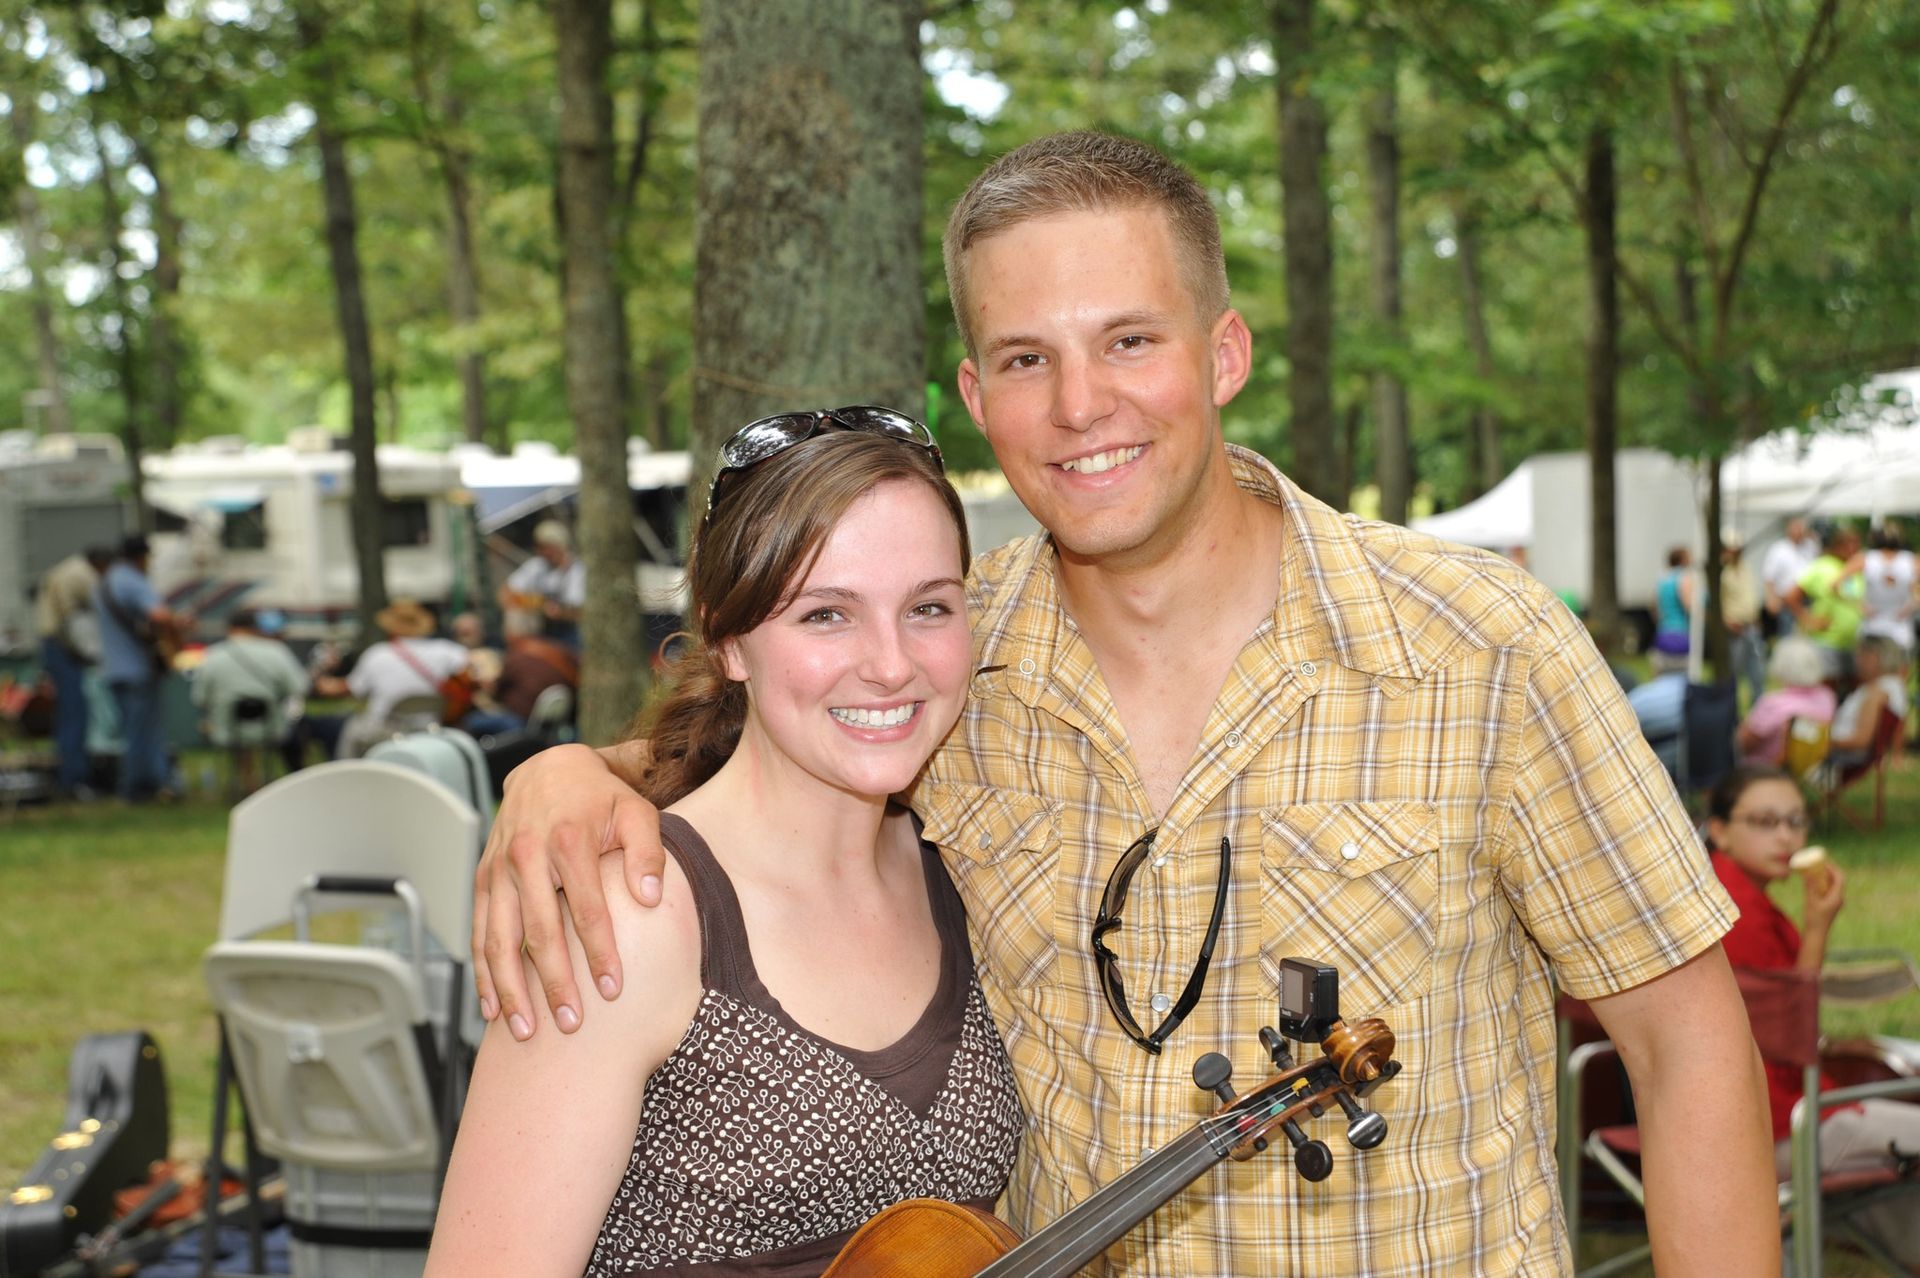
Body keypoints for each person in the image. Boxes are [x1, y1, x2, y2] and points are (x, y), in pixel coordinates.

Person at [467, 132, 1777, 1275]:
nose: (1081, 404)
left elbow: (1688, 1047)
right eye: (1026, 358)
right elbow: (783, 724)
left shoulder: (1480, 645)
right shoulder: (955, 657)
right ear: (978, 401)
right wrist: (571, 776)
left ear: (1223, 352)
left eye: (1129, 341)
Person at [427, 421, 1023, 1277]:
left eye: (928, 607)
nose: (892, 665)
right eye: (827, 615)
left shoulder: (959, 859)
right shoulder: (634, 912)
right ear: (730, 640)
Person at [1705, 764, 1920, 1267]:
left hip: (1760, 1116)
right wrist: (1820, 926)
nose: (1785, 836)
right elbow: (1790, 1029)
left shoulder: (1724, 892)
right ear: (1719, 830)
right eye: (1764, 821)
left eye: (1796, 821)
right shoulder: (1736, 911)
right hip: (1778, 1128)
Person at [318, 599, 470, 759]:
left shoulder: (378, 654)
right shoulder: (446, 650)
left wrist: (323, 683)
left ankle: (347, 775)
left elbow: (351, 689)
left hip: (385, 731)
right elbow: (475, 668)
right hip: (431, 726)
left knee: (351, 728)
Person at [93, 534, 178, 802]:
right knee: (145, 731)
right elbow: (159, 615)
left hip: (113, 668)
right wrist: (178, 626)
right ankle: (141, 787)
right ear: (141, 558)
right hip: (136, 669)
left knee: (131, 730)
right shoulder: (132, 580)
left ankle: (144, 784)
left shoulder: (104, 581)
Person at [192, 608, 310, 793]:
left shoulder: (212, 655)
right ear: (256, 628)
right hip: (271, 729)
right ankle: (257, 783)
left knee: (238, 738)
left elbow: (199, 699)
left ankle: (243, 781)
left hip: (227, 731)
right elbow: (299, 688)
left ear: (229, 628)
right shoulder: (276, 651)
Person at [36, 545, 112, 798]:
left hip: (55, 644)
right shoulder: (81, 574)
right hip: (63, 646)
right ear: (100, 563)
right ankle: (73, 779)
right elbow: (78, 618)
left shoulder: (67, 568)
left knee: (69, 714)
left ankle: (70, 776)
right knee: (75, 714)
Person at [460, 625, 578, 738]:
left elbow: (497, 689)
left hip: (522, 721)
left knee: (471, 721)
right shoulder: (554, 649)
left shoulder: (516, 657)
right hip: (555, 721)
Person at [1735, 637, 1836, 767]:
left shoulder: (1774, 704)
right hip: (1805, 770)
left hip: (1762, 772)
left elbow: (1742, 744)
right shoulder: (1827, 697)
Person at [1787, 523, 1865, 683]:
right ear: (1837, 545)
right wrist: (1808, 620)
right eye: (1847, 544)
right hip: (1826, 642)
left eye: (1855, 544)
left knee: (1852, 687)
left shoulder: (1857, 569)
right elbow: (1791, 596)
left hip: (1853, 643)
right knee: (1828, 687)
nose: (1851, 548)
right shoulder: (1821, 566)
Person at [1822, 634, 1909, 775]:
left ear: (1875, 658)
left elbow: (1861, 740)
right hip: (1842, 754)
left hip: (1841, 758)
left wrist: (1821, 742)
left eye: (1861, 655)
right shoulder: (1892, 686)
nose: (1857, 660)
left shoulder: (1877, 692)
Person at [498, 519, 585, 647]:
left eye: (547, 548)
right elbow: (505, 593)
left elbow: (579, 612)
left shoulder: (577, 570)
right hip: (539, 629)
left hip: (569, 633)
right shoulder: (537, 565)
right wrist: (531, 603)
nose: (542, 552)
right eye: (540, 547)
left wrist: (558, 612)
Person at [1852, 524, 1916, 656]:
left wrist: (1857, 603)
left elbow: (1838, 584)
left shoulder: (1866, 558)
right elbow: (1838, 584)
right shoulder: (1911, 560)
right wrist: (1912, 605)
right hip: (1887, 621)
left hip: (1887, 621)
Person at [1719, 533, 1767, 709]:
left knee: (1758, 672)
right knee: (1734, 673)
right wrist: (1726, 622)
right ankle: (1731, 712)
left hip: (1751, 627)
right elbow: (1713, 603)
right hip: (1735, 628)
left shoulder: (1745, 568)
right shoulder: (1722, 571)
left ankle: (1758, 712)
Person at [1761, 517, 1818, 638]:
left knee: (1807, 635)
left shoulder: (1810, 547)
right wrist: (1771, 598)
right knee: (1787, 636)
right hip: (1786, 602)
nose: (1798, 532)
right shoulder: (1778, 549)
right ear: (1788, 530)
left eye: (1801, 529)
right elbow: (1769, 577)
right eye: (1795, 529)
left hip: (1806, 601)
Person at [1650, 544, 1694, 672]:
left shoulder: (1662, 579)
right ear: (1682, 560)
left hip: (1663, 631)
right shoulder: (1683, 577)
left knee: (1662, 672)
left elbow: (1654, 606)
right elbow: (1688, 604)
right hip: (1680, 631)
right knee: (1682, 674)